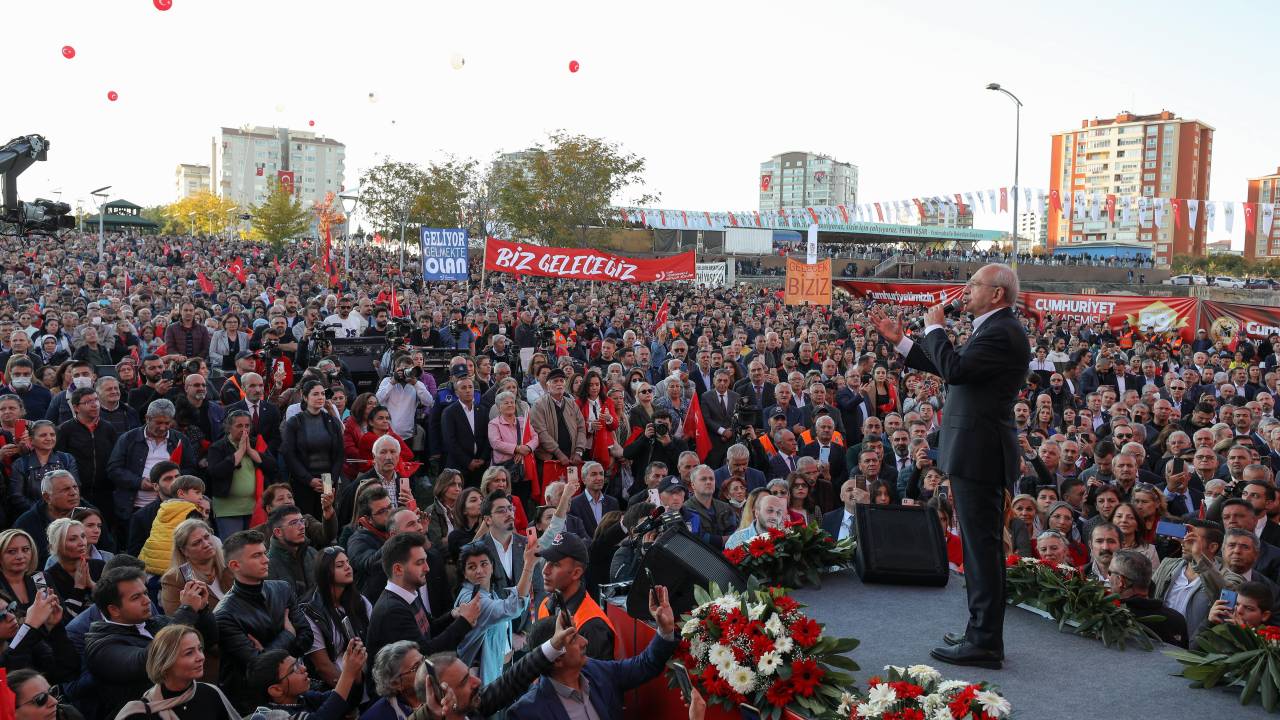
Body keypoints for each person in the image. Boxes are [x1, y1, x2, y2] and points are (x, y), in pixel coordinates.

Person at [873, 262, 1030, 669]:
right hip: (975, 449)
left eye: (973, 284)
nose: (965, 291)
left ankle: (984, 641)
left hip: (981, 452)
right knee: (981, 550)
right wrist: (903, 343)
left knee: (982, 549)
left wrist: (935, 328)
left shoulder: (1002, 331)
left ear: (996, 294)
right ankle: (979, 631)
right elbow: (956, 371)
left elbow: (955, 369)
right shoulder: (994, 328)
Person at [506, 585, 678, 720]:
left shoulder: (598, 671)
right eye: (574, 639)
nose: (585, 642)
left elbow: (646, 664)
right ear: (556, 657)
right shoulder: (527, 713)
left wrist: (665, 629)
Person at [83, 566, 218, 720]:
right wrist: (187, 610)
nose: (147, 601)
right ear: (114, 610)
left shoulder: (156, 622)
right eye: (136, 597)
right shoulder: (100, 646)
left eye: (146, 593)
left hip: (184, 704)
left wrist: (202, 609)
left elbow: (209, 638)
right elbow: (146, 660)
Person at [213, 529, 314, 713]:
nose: (266, 559)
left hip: (293, 692)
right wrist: (288, 634)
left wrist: (267, 651)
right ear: (235, 565)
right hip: (252, 706)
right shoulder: (224, 614)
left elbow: (307, 637)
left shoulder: (282, 589)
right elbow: (258, 668)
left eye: (265, 552)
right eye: (257, 555)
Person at [366, 532, 480, 663]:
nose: (427, 568)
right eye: (420, 563)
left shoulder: (409, 594)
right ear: (398, 569)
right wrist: (464, 622)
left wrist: (453, 615)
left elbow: (429, 628)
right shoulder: (392, 611)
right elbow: (425, 653)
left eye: (425, 560)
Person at [453, 525, 539, 685]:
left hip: (500, 674)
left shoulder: (490, 593)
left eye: (484, 564)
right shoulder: (472, 599)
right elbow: (512, 608)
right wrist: (529, 564)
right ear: (464, 573)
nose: (479, 570)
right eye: (472, 567)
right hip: (483, 685)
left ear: (493, 566)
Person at [113, 624, 239, 720]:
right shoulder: (140, 713)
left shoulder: (211, 693)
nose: (201, 657)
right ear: (166, 662)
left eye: (199, 649)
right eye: (189, 653)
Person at [107, 400, 197, 532]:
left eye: (167, 423)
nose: (162, 427)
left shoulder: (180, 440)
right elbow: (113, 469)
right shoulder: (128, 439)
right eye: (158, 423)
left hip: (170, 507)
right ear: (147, 418)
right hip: (135, 507)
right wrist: (139, 482)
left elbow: (191, 469)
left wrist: (173, 481)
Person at [533, 530, 619, 660]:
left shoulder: (592, 625)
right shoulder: (545, 604)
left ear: (576, 573)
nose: (545, 570)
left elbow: (595, 678)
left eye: (555, 564)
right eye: (546, 561)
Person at [301, 547, 372, 688]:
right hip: (336, 688)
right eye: (340, 565)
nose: (348, 567)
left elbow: (375, 641)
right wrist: (349, 692)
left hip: (369, 680)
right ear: (325, 573)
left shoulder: (360, 601)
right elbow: (323, 667)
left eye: (347, 562)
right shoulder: (311, 611)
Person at [245, 639, 366, 720]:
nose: (303, 668)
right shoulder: (272, 716)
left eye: (298, 663)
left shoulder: (303, 697)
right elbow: (323, 717)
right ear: (276, 690)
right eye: (294, 669)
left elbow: (349, 700)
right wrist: (348, 673)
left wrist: (355, 670)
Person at [206, 410, 278, 538]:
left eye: (247, 426)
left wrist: (250, 451)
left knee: (254, 546)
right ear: (229, 428)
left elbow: (272, 466)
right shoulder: (218, 447)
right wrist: (240, 452)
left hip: (255, 508)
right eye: (239, 426)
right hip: (228, 510)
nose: (244, 429)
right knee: (234, 548)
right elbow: (216, 472)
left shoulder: (256, 443)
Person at [281, 380, 345, 519]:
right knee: (307, 522)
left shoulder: (332, 421)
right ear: (305, 397)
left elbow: (339, 453)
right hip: (303, 482)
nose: (320, 397)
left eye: (322, 394)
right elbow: (289, 454)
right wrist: (309, 480)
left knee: (326, 519)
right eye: (315, 394)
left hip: (328, 480)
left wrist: (330, 481)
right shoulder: (294, 422)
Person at [55, 386, 119, 519]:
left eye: (96, 400)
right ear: (76, 407)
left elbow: (115, 458)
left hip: (106, 491)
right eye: (88, 402)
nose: (94, 405)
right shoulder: (65, 430)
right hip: (78, 492)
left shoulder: (108, 428)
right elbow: (60, 460)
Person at [1109, 549, 1189, 648]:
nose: (1108, 577)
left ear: (1120, 581)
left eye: (1110, 573)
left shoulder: (1111, 619)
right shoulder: (1177, 619)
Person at [139, 475, 209, 576]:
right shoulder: (191, 510)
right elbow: (198, 538)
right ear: (181, 493)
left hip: (151, 562)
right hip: (176, 565)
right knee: (191, 584)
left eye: (202, 493)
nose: (201, 497)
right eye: (197, 492)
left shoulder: (163, 508)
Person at [13, 470, 86, 568]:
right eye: (65, 489)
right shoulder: (26, 524)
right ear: (47, 497)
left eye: (75, 487)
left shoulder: (90, 516)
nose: (73, 493)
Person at [8, 420, 79, 516]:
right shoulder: (20, 464)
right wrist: (45, 511)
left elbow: (75, 487)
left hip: (65, 516)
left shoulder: (67, 459)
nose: (49, 438)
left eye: (52, 435)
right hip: (32, 517)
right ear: (31, 440)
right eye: (43, 435)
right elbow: (17, 497)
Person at [42, 518, 103, 619]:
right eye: (72, 539)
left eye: (83, 536)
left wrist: (92, 584)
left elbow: (117, 604)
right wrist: (78, 587)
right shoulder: (48, 578)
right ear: (57, 544)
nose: (82, 543)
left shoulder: (99, 566)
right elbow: (63, 620)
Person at [266, 504, 320, 600]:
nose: (302, 526)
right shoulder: (268, 566)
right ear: (278, 532)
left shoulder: (312, 553)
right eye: (294, 523)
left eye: (302, 521)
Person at [8, 668, 84, 720]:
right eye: (41, 699)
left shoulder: (68, 715)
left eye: (52, 692)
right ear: (12, 711)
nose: (54, 702)